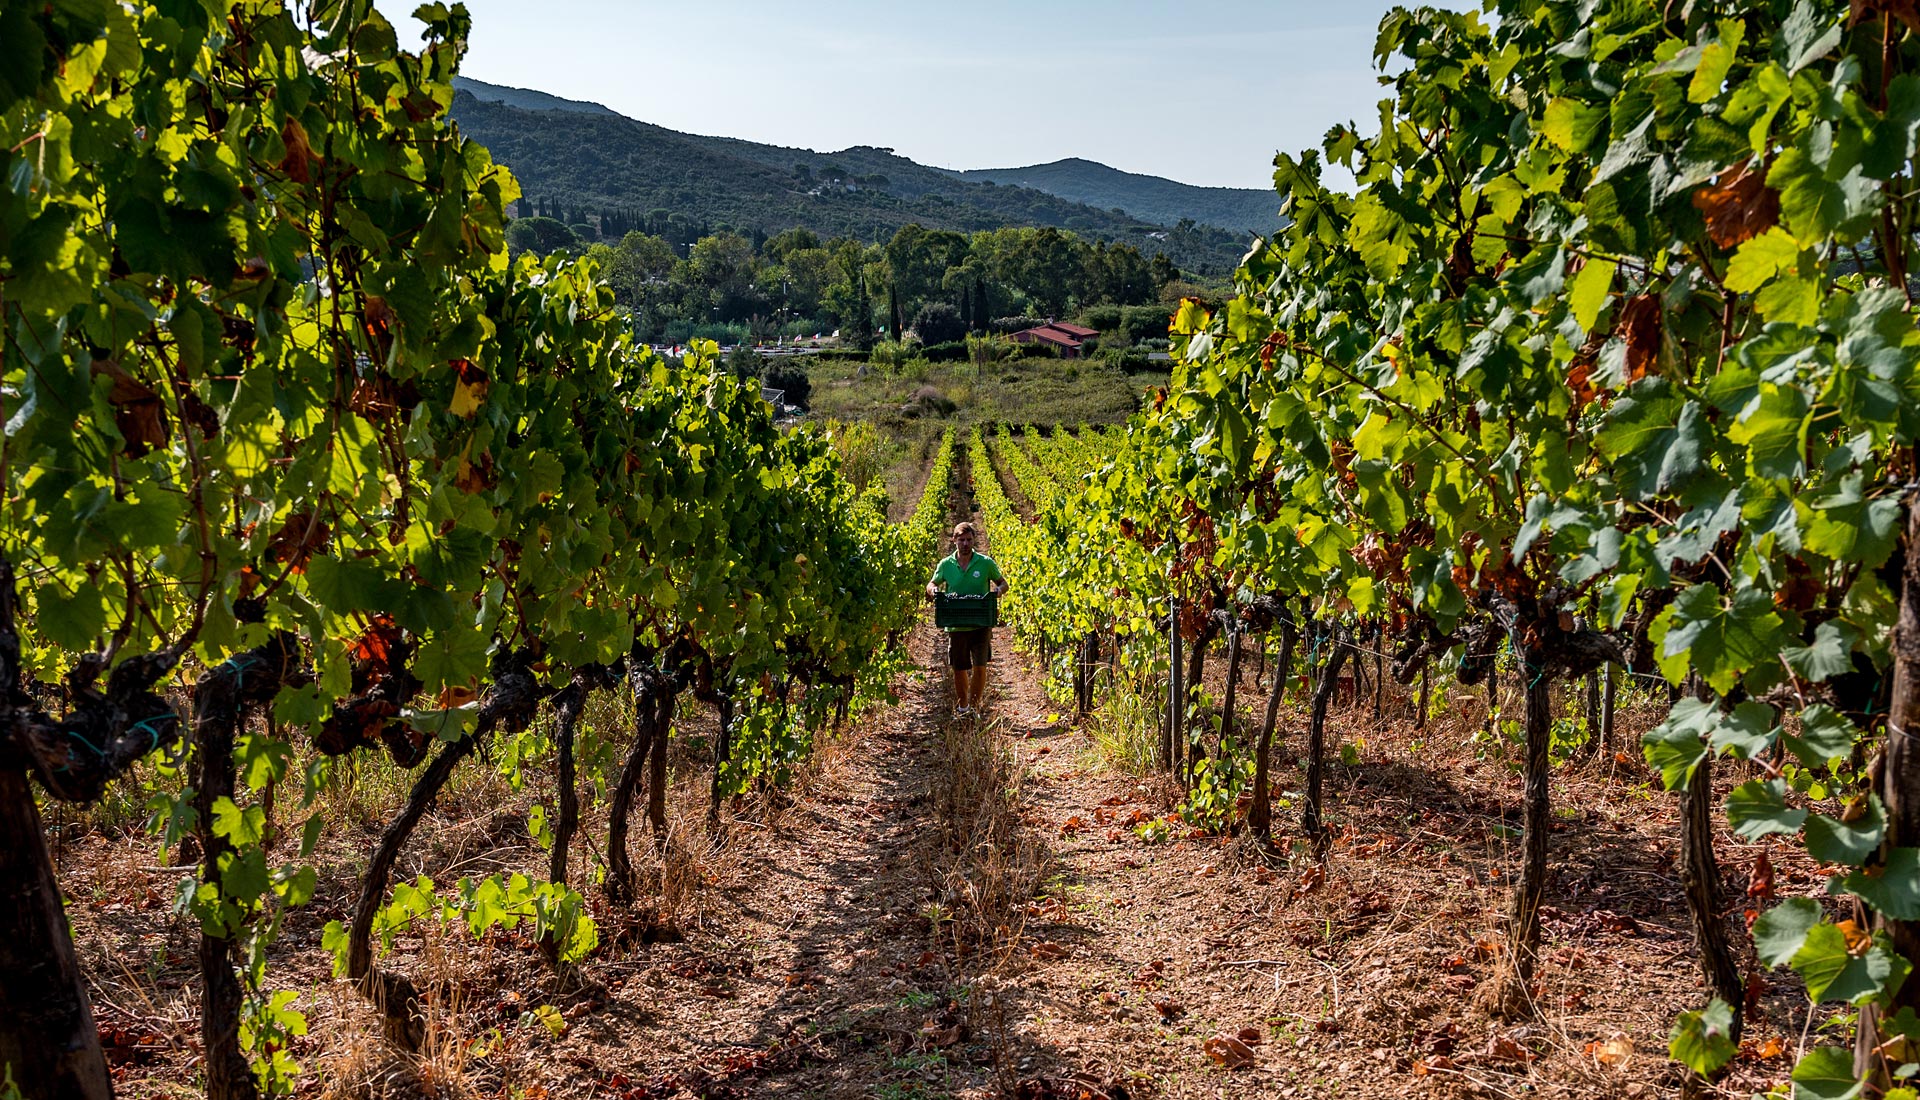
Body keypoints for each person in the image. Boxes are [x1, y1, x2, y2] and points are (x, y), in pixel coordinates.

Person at [926, 522, 1008, 715]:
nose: (965, 544)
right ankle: (963, 708)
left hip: (980, 622)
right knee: (959, 667)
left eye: (969, 540)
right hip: (956, 624)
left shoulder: (985, 563)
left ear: (973, 540)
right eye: (961, 540)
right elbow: (931, 584)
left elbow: (1003, 583)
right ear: (954, 540)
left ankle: (975, 708)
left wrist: (997, 591)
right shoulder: (946, 565)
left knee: (980, 665)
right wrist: (934, 590)